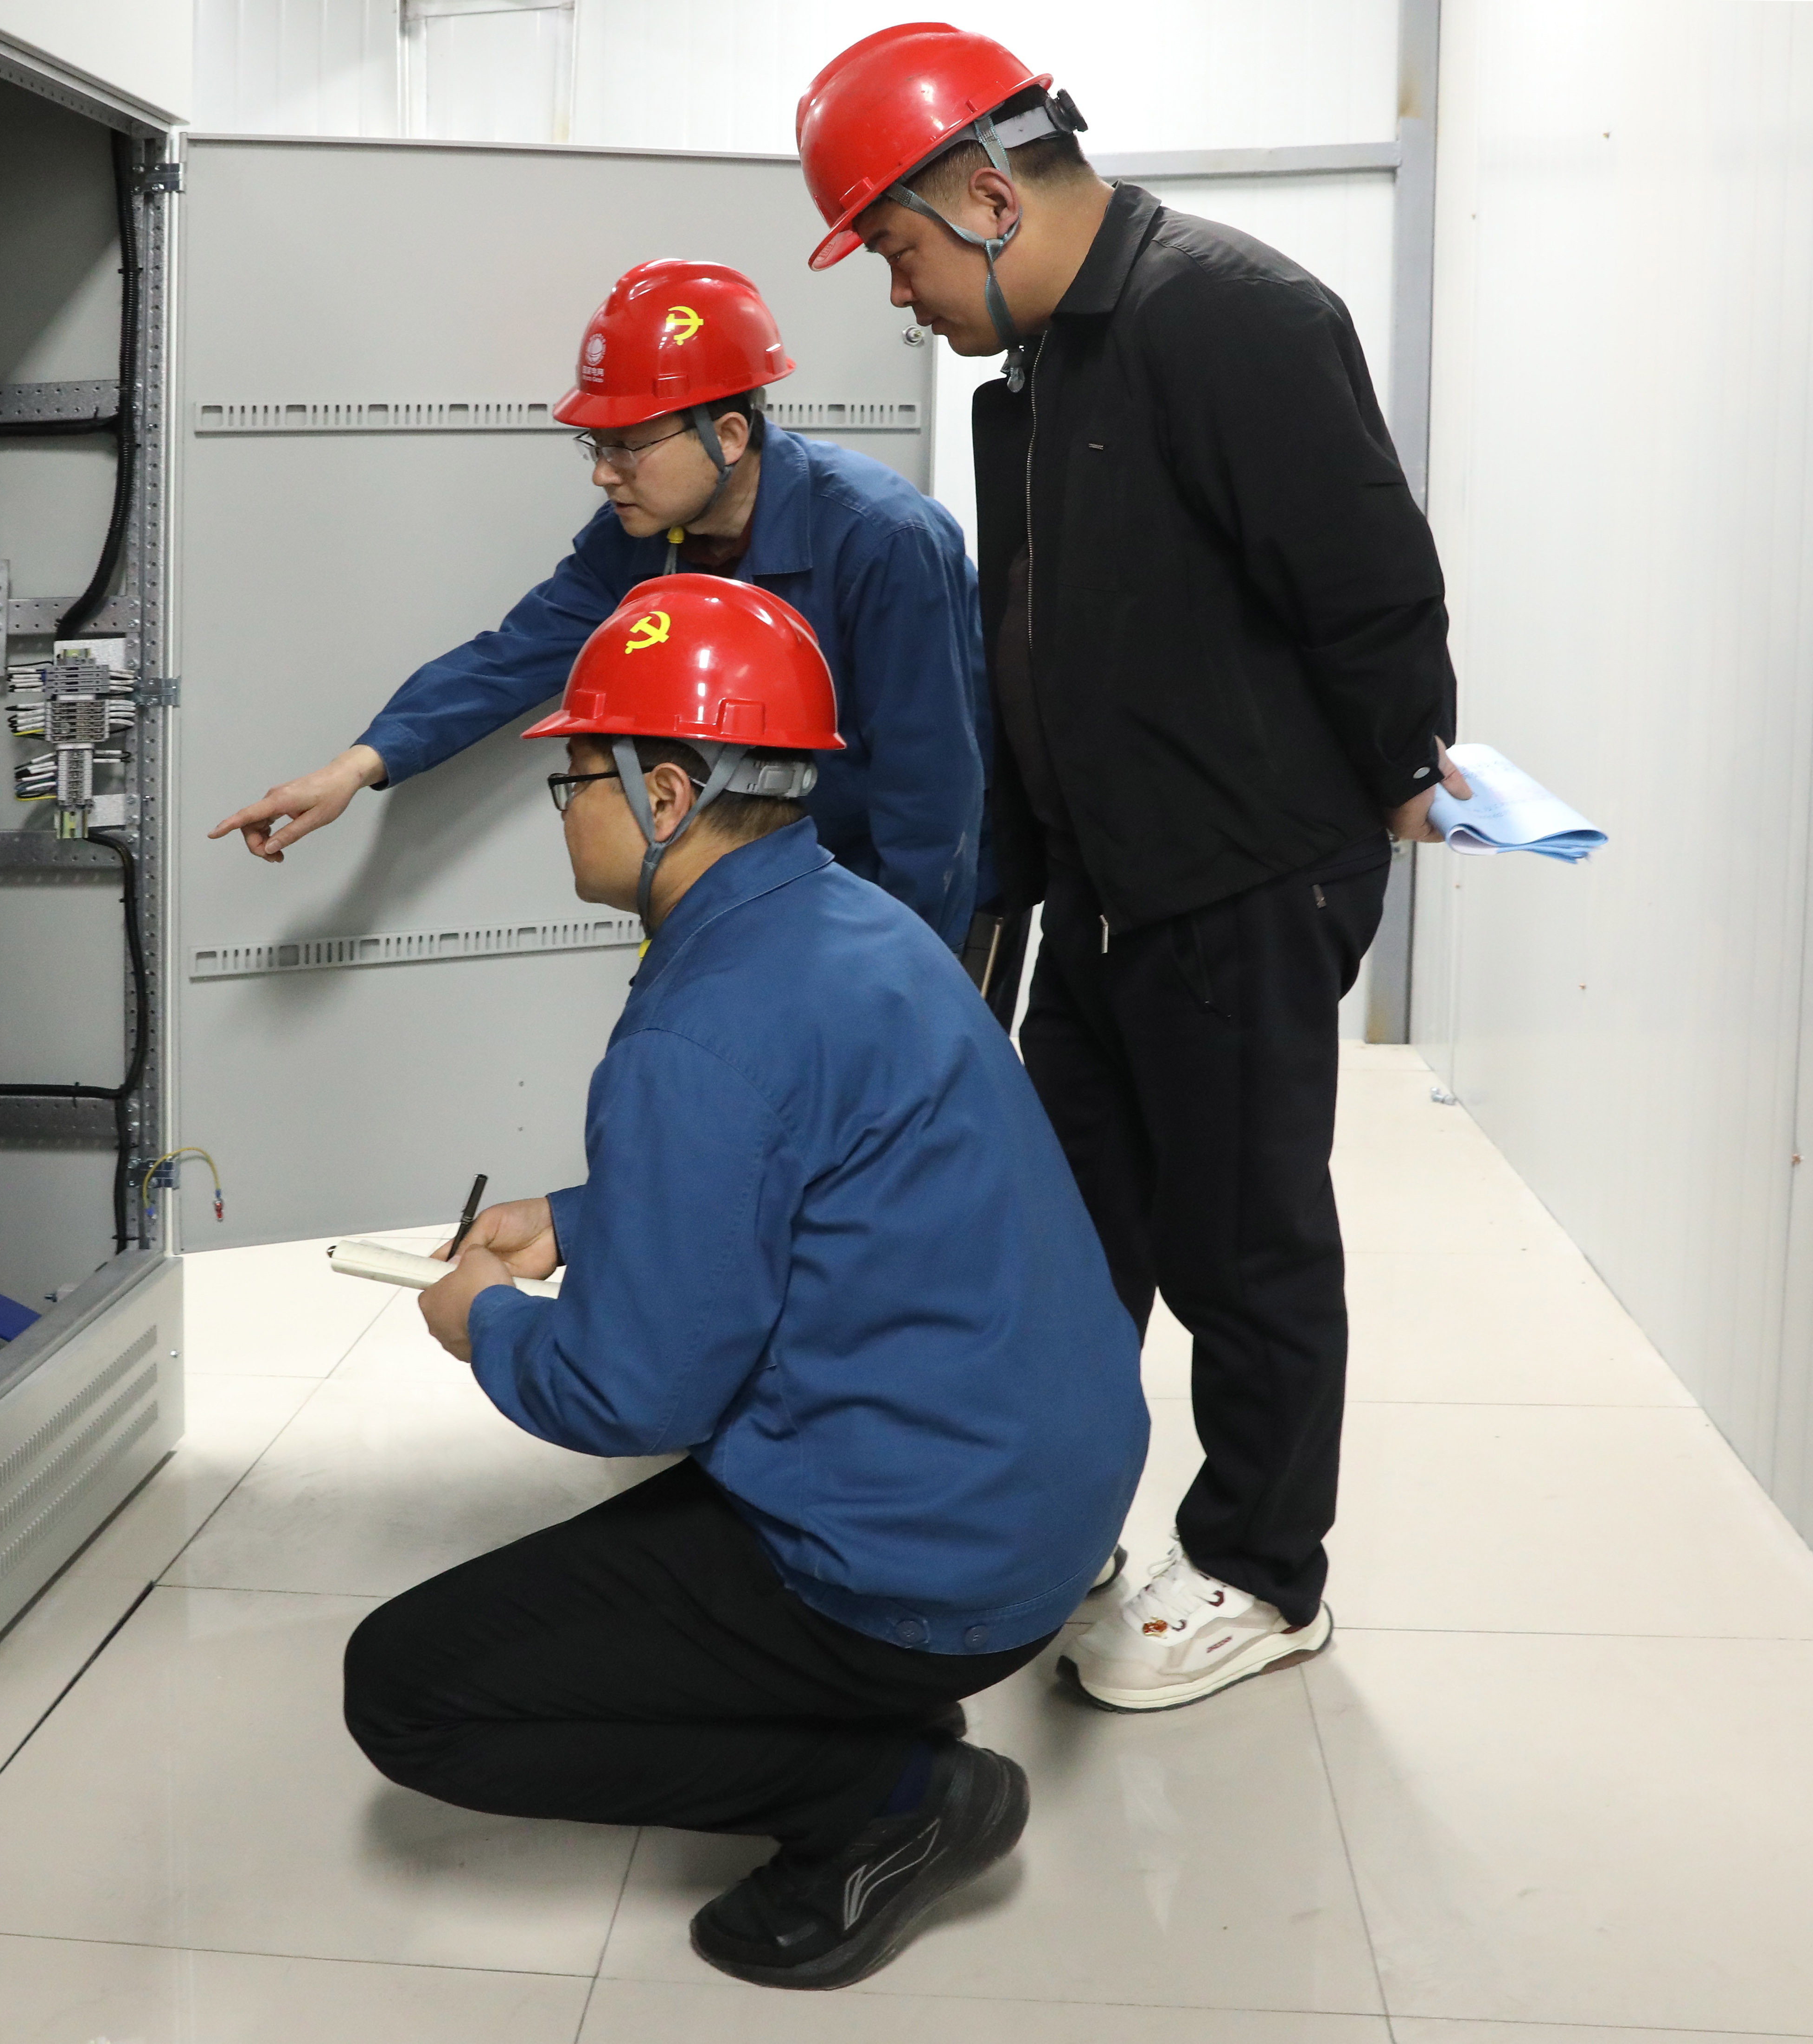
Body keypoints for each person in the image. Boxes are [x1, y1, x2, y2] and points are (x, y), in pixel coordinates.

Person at [341, 575, 1147, 1991]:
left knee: (407, 1690)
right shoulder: (858, 930)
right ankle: (866, 1711)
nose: (563, 810)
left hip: (922, 1565)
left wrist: (485, 1324)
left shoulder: (697, 1029)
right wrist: (580, 1218)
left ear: (665, 794)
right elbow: (812, 1165)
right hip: (1032, 1511)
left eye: (576, 778)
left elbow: (630, 1396)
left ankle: (884, 1798)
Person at [797, 25, 1472, 1713]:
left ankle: (1260, 1568)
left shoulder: (1228, 316)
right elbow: (1043, 635)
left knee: (1241, 1239)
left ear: (982, 196)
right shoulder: (1047, 369)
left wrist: (1396, 775)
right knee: (1065, 1230)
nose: (896, 295)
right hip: (1101, 889)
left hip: (1237, 877)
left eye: (892, 251)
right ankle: (1052, 1507)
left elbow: (1370, 587)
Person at [205, 259, 990, 946]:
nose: (602, 473)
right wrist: (353, 768)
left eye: (628, 447)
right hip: (748, 892)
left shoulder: (883, 542)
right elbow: (510, 657)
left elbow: (932, 802)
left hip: (891, 904)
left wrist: (901, 975)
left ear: (726, 435)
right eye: (597, 445)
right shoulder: (641, 541)